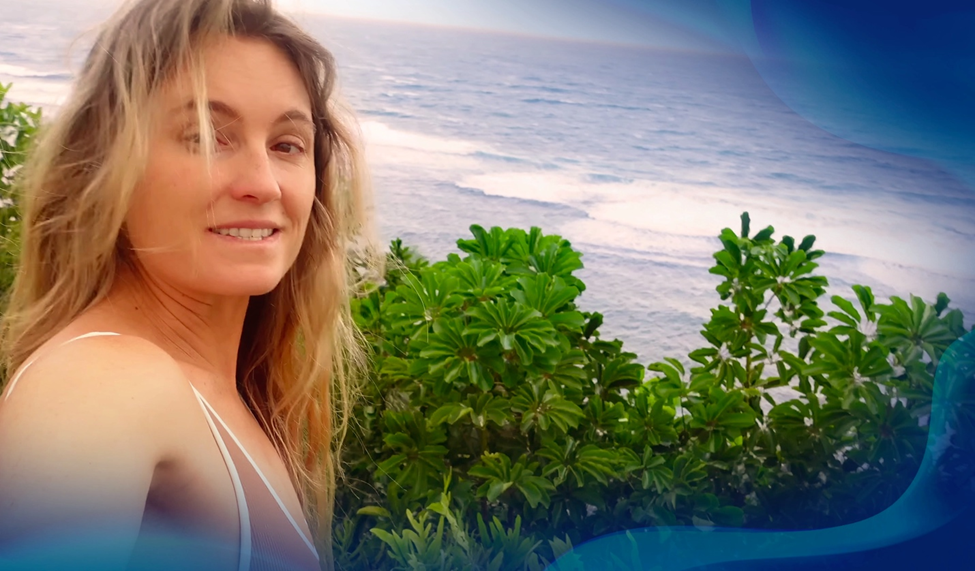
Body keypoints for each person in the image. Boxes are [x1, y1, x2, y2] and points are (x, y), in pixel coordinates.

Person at [0, 0, 376, 569]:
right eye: (205, 135)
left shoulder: (230, 396)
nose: (263, 183)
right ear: (105, 168)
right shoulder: (98, 386)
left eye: (286, 145)